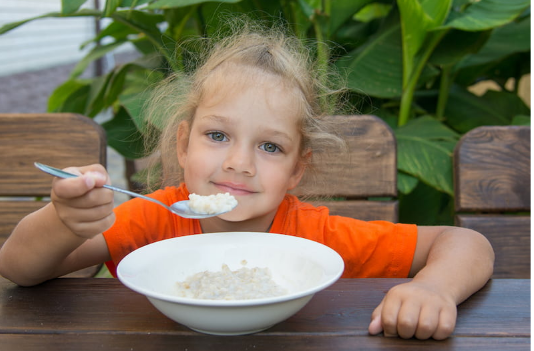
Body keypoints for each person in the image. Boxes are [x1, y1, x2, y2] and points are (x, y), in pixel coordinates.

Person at [0, 20, 494, 340]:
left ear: (297, 169)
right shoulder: (150, 218)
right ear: (182, 144)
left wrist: (434, 289)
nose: (240, 163)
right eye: (218, 135)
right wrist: (65, 220)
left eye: (270, 146)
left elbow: (464, 242)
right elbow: (18, 268)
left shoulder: (316, 237)